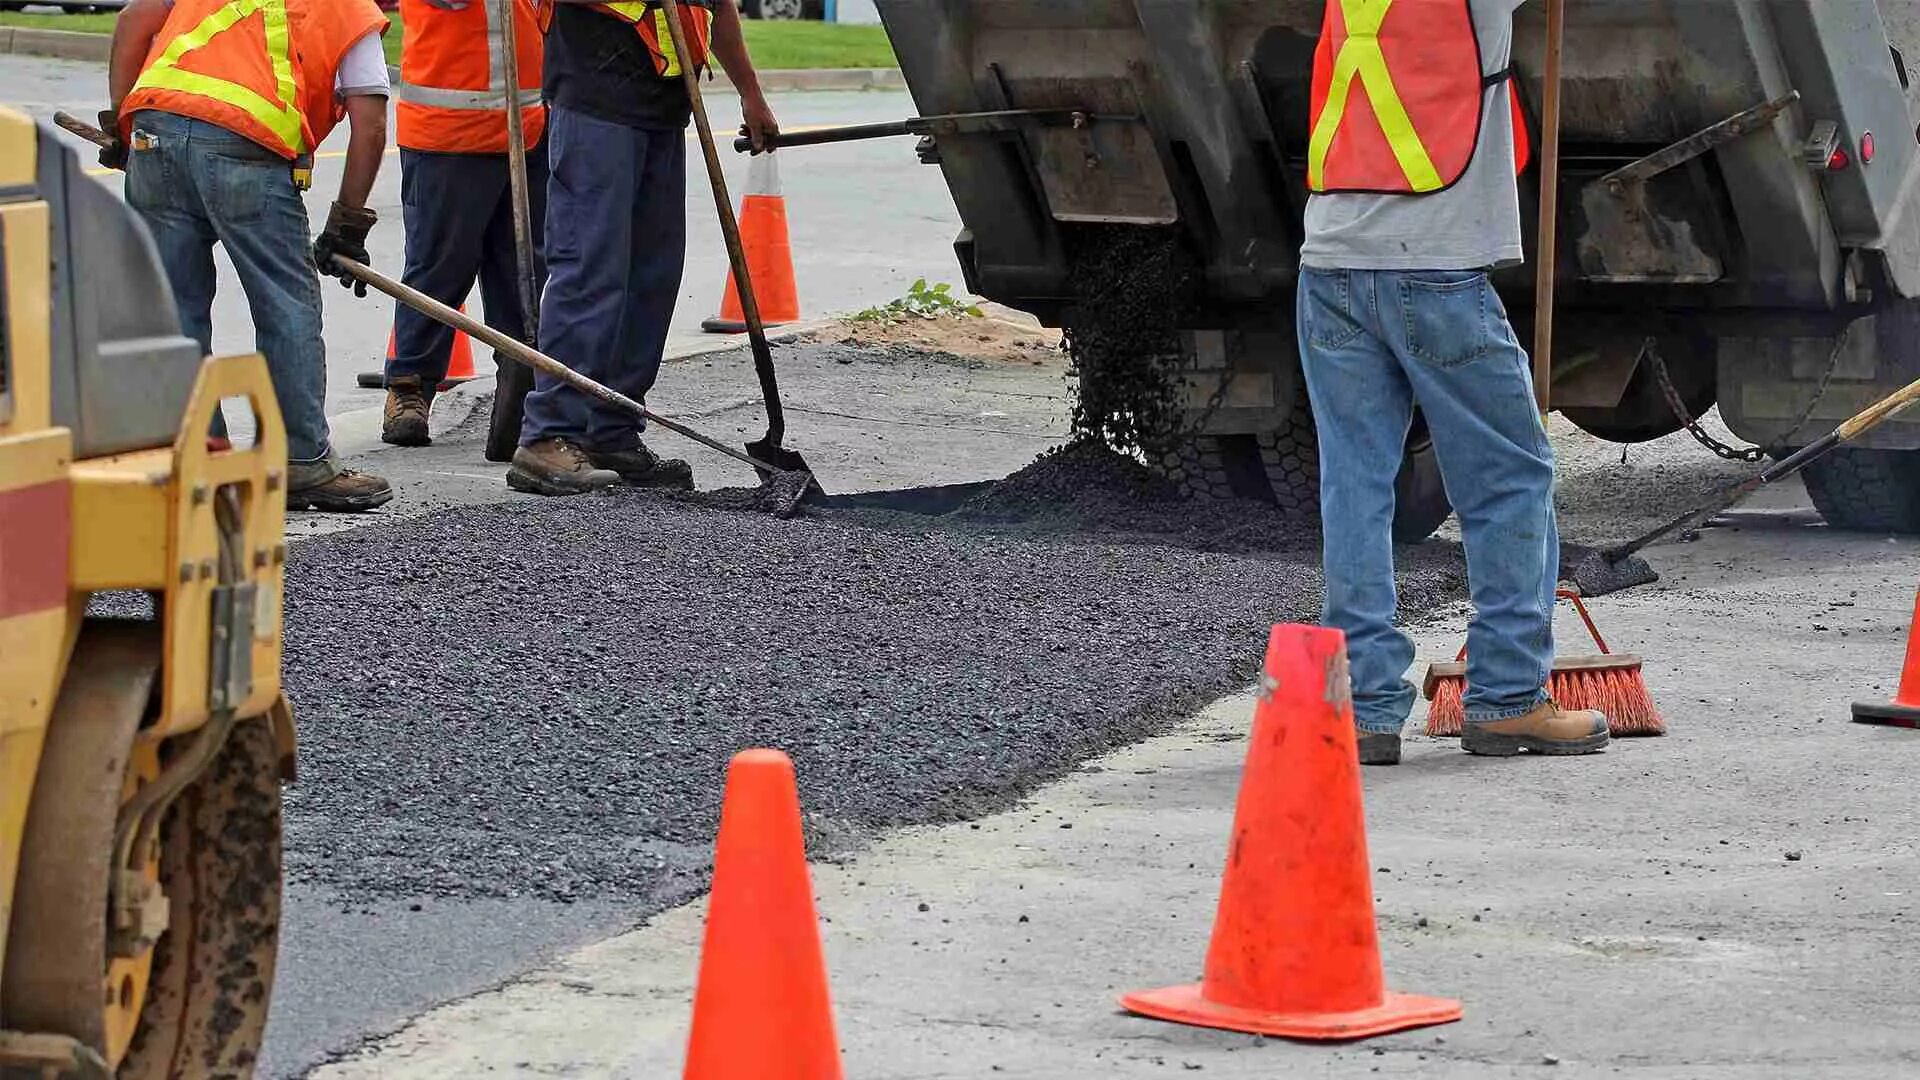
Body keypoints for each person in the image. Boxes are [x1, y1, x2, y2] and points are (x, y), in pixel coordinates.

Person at [1296, 0, 1609, 763]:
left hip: (1330, 265)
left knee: (1357, 489)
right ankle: (1506, 699)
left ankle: (1364, 712)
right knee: (1508, 479)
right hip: (1433, 271)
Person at [103, 0, 395, 512]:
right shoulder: (350, 9)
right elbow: (369, 121)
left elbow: (132, 21)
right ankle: (300, 462)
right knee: (286, 306)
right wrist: (348, 222)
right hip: (244, 147)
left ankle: (200, 457)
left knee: (173, 310)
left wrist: (124, 129)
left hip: (157, 129)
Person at [507, 0, 779, 495]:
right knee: (591, 270)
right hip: (596, 97)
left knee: (651, 278)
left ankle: (612, 428)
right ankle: (550, 434)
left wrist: (751, 93)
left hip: (663, 107)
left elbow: (717, 9)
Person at [382, 0, 548, 451]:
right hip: (447, 131)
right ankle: (409, 386)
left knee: (524, 271)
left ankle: (520, 381)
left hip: (527, 126)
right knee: (438, 266)